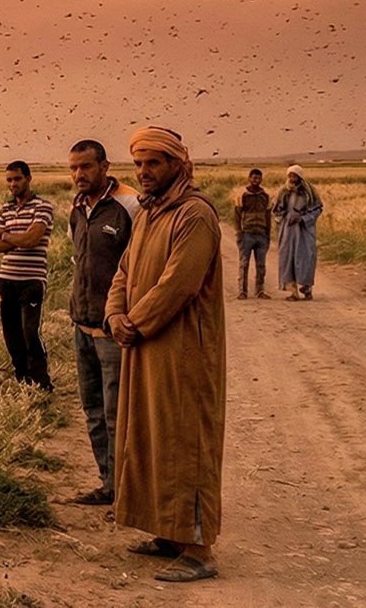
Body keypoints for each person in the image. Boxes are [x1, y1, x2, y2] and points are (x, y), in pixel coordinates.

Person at [106, 126, 224, 583]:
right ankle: (166, 532)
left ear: (178, 164)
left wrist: (133, 323)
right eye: (138, 164)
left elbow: (179, 283)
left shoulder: (194, 215)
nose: (144, 172)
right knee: (149, 436)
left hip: (182, 351)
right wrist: (115, 314)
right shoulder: (150, 214)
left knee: (183, 440)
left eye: (153, 163)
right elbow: (125, 269)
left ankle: (198, 549)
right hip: (146, 344)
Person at [65, 139, 139, 507]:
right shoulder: (77, 209)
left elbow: (143, 266)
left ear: (105, 166)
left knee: (118, 416)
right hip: (83, 326)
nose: (79, 175)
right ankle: (108, 486)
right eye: (74, 168)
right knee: (92, 410)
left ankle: (128, 492)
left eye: (86, 167)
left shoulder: (129, 205)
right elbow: (79, 260)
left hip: (113, 332)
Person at [0, 160, 55, 391]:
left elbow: (32, 240)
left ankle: (41, 382)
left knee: (30, 333)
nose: (12, 184)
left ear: (28, 178)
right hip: (7, 279)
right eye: (9, 180)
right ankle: (22, 380)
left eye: (17, 179)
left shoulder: (43, 207)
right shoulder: (5, 209)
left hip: (32, 280)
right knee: (12, 335)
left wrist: (7, 237)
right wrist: (15, 239)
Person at [271, 164, 322, 300]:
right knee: (288, 258)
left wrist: (303, 219)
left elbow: (317, 208)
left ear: (300, 177)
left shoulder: (309, 192)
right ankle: (293, 292)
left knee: (306, 258)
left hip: (304, 231)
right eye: (290, 175)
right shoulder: (284, 191)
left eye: (294, 175)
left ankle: (307, 288)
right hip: (288, 230)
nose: (291, 178)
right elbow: (276, 209)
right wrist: (284, 219)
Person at [229, 169, 272, 299]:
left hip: (261, 234)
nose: (256, 181)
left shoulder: (265, 196)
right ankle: (242, 291)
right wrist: (238, 233)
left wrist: (268, 235)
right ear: (249, 178)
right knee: (244, 263)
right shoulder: (242, 195)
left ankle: (260, 290)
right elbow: (237, 216)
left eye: (258, 178)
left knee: (261, 265)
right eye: (254, 178)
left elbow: (268, 216)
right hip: (246, 234)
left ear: (261, 180)